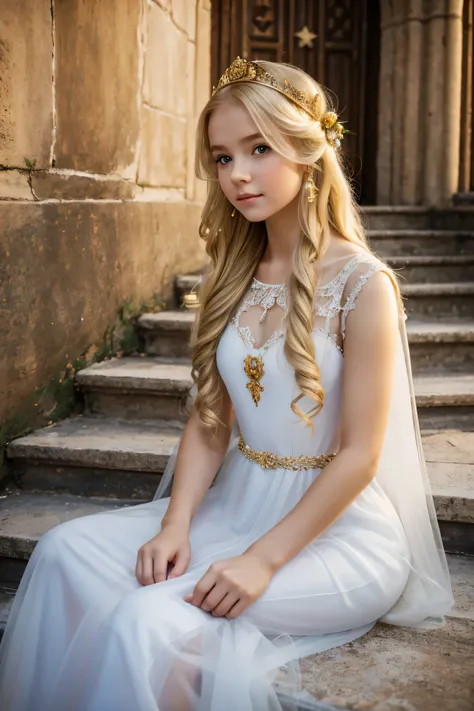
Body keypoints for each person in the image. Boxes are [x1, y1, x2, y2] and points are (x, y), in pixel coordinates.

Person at [0, 58, 454, 711]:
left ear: (306, 150)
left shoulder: (364, 285)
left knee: (150, 621)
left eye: (259, 148)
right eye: (221, 157)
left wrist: (263, 560)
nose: (237, 173)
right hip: (236, 507)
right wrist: (176, 522)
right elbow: (211, 421)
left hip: (339, 536)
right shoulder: (231, 278)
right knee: (62, 551)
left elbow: (360, 456)